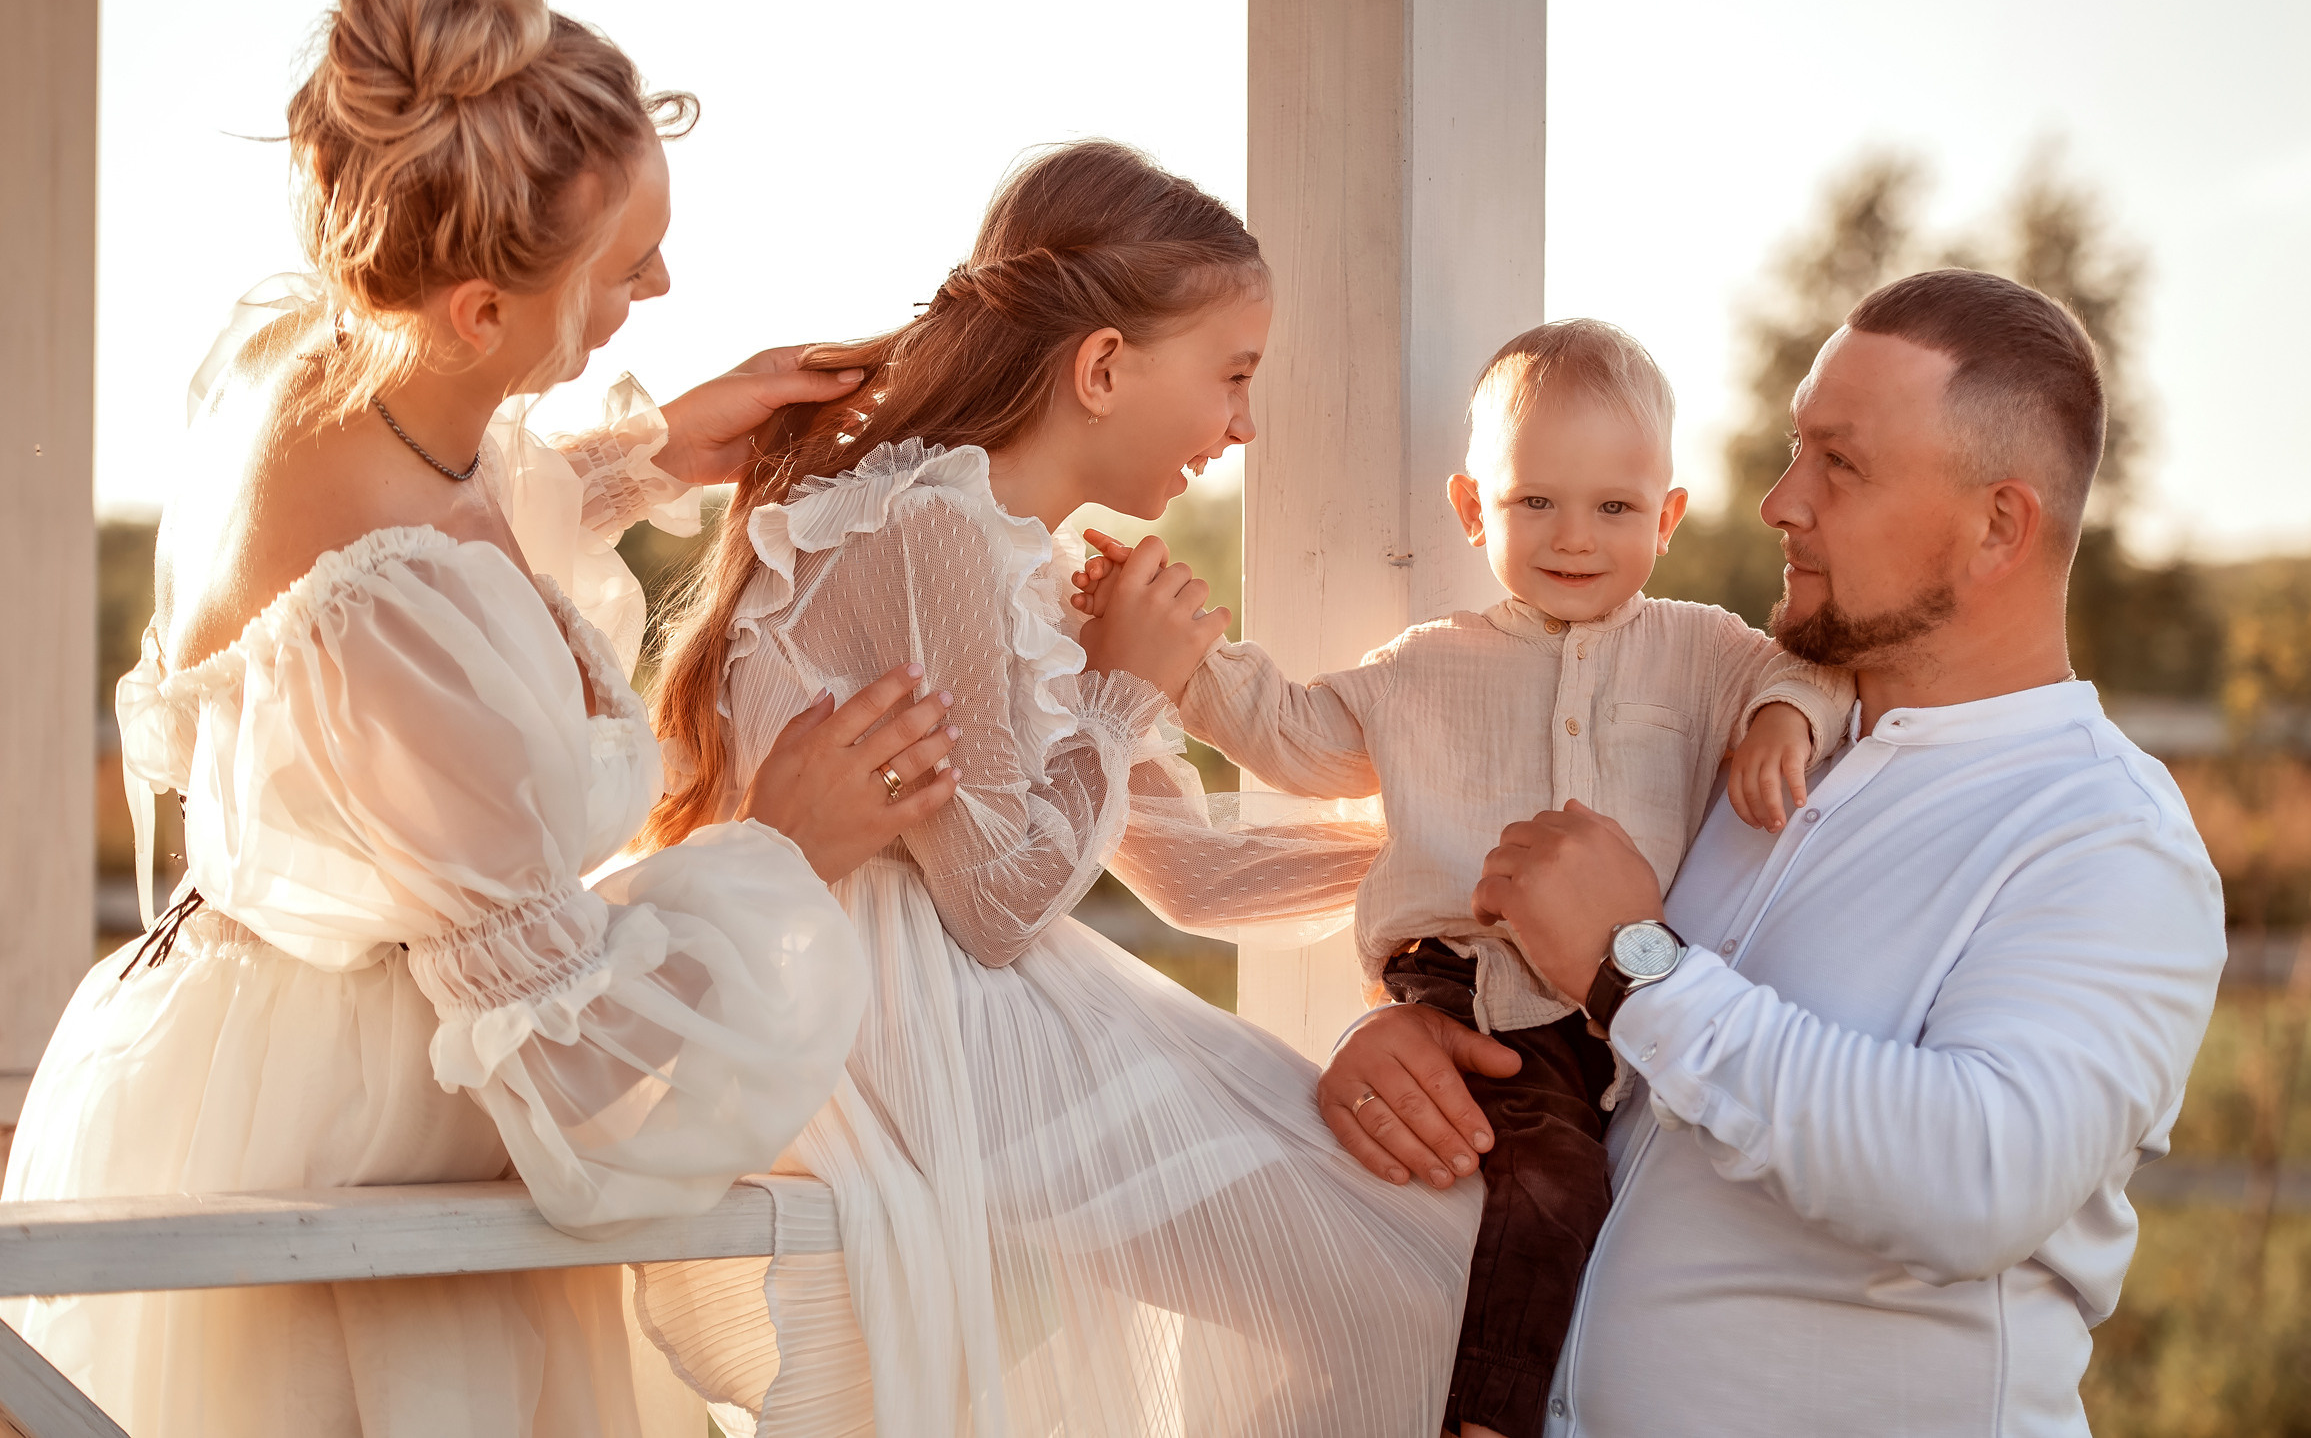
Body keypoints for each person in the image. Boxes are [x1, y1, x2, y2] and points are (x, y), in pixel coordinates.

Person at [0, 0, 959, 1438]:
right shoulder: (389, 623)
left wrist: (649, 453)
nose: (662, 282)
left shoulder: (320, 354)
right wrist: (784, 848)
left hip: (276, 1039)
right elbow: (574, 1065)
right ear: (477, 314)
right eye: (624, 266)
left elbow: (438, 508)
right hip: (358, 1146)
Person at [632, 139, 1479, 1437]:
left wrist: (1442, 859)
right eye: (1233, 379)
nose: (1245, 426)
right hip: (906, 1029)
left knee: (1428, 1261)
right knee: (1399, 1283)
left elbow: (1189, 874)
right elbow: (996, 906)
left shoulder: (1032, 559)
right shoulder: (932, 527)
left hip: (988, 1005)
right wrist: (1128, 683)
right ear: (1102, 369)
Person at [1318, 270, 2225, 1437]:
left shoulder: (2102, 836)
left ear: (1999, 523)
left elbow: (1977, 1179)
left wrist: (1632, 961)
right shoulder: (1733, 744)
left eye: (1839, 463)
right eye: (1797, 449)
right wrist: (1400, 1026)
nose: (1780, 501)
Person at [1078, 317, 1852, 1438]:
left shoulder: (1703, 651)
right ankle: (1485, 1422)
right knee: (1549, 1189)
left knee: (1617, 1210)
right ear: (1472, 507)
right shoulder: (1427, 666)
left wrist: (1785, 715)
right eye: (1535, 502)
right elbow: (1293, 733)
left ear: (1668, 516)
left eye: (1616, 507)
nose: (1575, 537)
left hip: (1612, 1003)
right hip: (1465, 991)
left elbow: (1807, 666)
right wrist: (1186, 651)